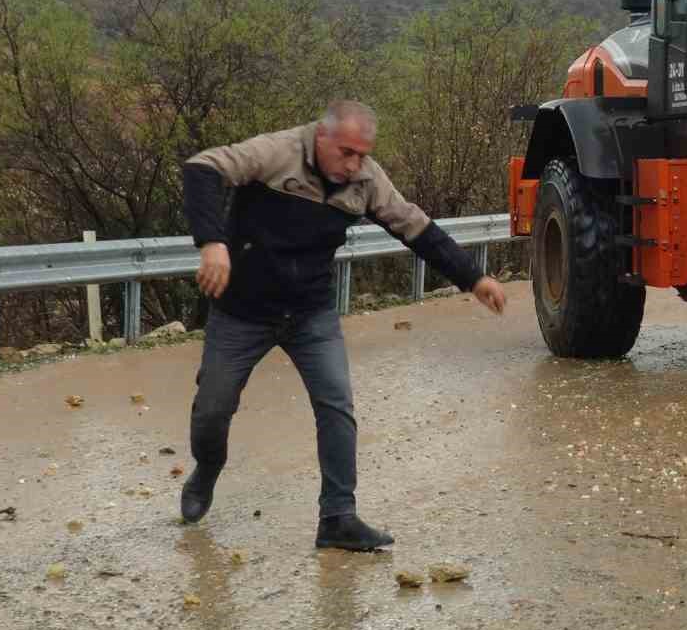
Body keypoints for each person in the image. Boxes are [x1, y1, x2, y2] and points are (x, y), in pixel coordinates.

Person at [178, 99, 508, 551]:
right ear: (321, 136)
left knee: (336, 406)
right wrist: (212, 243)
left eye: (362, 154)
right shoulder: (277, 152)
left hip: (310, 313)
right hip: (242, 311)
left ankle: (337, 517)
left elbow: (416, 228)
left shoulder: (367, 180)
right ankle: (207, 470)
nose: (354, 165)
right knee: (213, 408)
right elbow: (202, 168)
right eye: (346, 152)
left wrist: (474, 278)